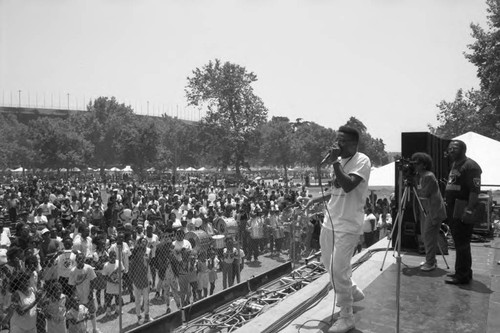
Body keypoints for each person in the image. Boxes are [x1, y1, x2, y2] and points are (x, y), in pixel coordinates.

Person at [305, 126, 371, 333]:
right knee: (328, 264)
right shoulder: (341, 162)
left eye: (341, 141)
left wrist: (334, 163)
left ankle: (346, 316)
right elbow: (337, 190)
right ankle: (351, 290)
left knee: (337, 269)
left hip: (348, 225)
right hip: (330, 221)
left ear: (353, 144)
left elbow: (349, 185)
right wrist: (316, 199)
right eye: (337, 140)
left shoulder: (362, 160)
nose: (336, 145)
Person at [444, 140, 481, 285]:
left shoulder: (471, 166)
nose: (451, 150)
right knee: (459, 242)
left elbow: (474, 191)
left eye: (455, 148)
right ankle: (462, 271)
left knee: (462, 243)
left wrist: (469, 210)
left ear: (463, 149)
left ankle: (463, 276)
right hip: (453, 209)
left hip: (463, 209)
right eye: (449, 148)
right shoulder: (455, 165)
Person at [412, 152, 447, 272]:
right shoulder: (420, 176)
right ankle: (431, 259)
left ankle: (430, 262)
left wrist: (413, 184)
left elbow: (424, 193)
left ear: (424, 164)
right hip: (427, 211)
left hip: (434, 211)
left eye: (417, 163)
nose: (414, 166)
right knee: (426, 235)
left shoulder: (428, 176)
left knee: (428, 236)